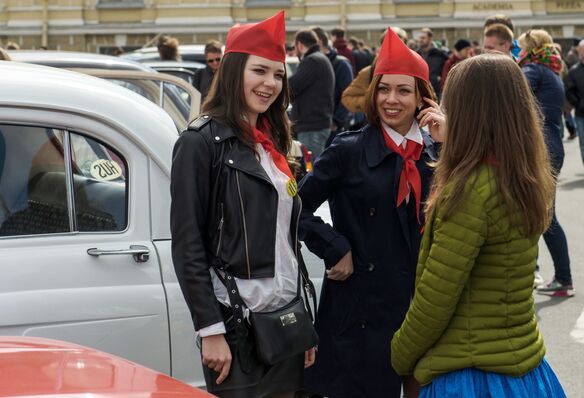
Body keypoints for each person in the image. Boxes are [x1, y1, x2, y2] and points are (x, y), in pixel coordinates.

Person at [391, 52, 566, 398]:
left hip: (470, 374)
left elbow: (435, 300)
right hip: (522, 364)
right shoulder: (522, 176)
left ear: (470, 112)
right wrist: (452, 141)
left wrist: (399, 354)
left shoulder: (470, 190)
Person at [170, 11, 316, 398]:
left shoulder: (272, 145)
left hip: (284, 323)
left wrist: (301, 321)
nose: (270, 84)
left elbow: (286, 244)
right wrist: (210, 330)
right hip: (234, 330)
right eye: (260, 71)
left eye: (278, 74)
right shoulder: (199, 143)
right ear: (235, 71)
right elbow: (188, 245)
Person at [299, 28, 441, 398]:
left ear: (422, 98)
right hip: (360, 311)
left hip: (422, 309)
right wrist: (334, 245)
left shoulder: (439, 153)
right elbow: (294, 207)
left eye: (403, 90)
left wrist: (452, 140)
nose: (390, 100)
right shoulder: (348, 150)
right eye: (383, 88)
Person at [517, 29, 574, 296]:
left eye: (521, 46)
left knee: (544, 218)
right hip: (552, 145)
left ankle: (563, 279)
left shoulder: (534, 69)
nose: (519, 51)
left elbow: (512, 92)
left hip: (541, 147)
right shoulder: (551, 69)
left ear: (531, 46)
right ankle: (560, 277)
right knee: (544, 216)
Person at [289, 29, 335, 159]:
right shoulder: (320, 58)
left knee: (311, 170)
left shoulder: (312, 61)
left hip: (312, 126)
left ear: (299, 45)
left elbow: (291, 86)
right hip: (316, 123)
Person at [311, 26, 353, 144]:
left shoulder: (341, 64)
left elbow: (347, 95)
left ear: (319, 42)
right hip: (313, 126)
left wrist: (336, 122)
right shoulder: (311, 64)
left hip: (333, 129)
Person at [417, 28, 448, 99]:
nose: (420, 40)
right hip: (420, 90)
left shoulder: (440, 54)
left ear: (430, 39)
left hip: (436, 90)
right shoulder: (416, 54)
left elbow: (447, 69)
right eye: (420, 38)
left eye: (423, 38)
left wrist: (440, 80)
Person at [567, 40, 584, 159]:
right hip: (581, 114)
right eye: (582, 52)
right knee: (583, 143)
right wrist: (578, 103)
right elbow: (569, 91)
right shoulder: (574, 71)